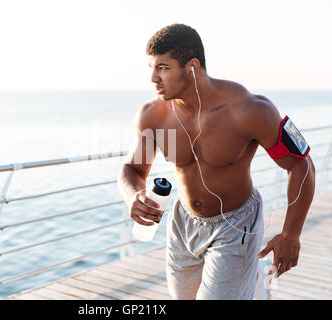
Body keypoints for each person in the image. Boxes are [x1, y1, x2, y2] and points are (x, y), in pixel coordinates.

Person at [117, 23, 316, 300]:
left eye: (162, 68)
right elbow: (133, 169)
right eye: (151, 68)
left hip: (236, 224)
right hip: (183, 222)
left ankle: (247, 273)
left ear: (192, 67)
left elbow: (301, 166)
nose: (153, 78)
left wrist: (291, 235)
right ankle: (252, 274)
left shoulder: (250, 110)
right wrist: (133, 195)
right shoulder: (154, 115)